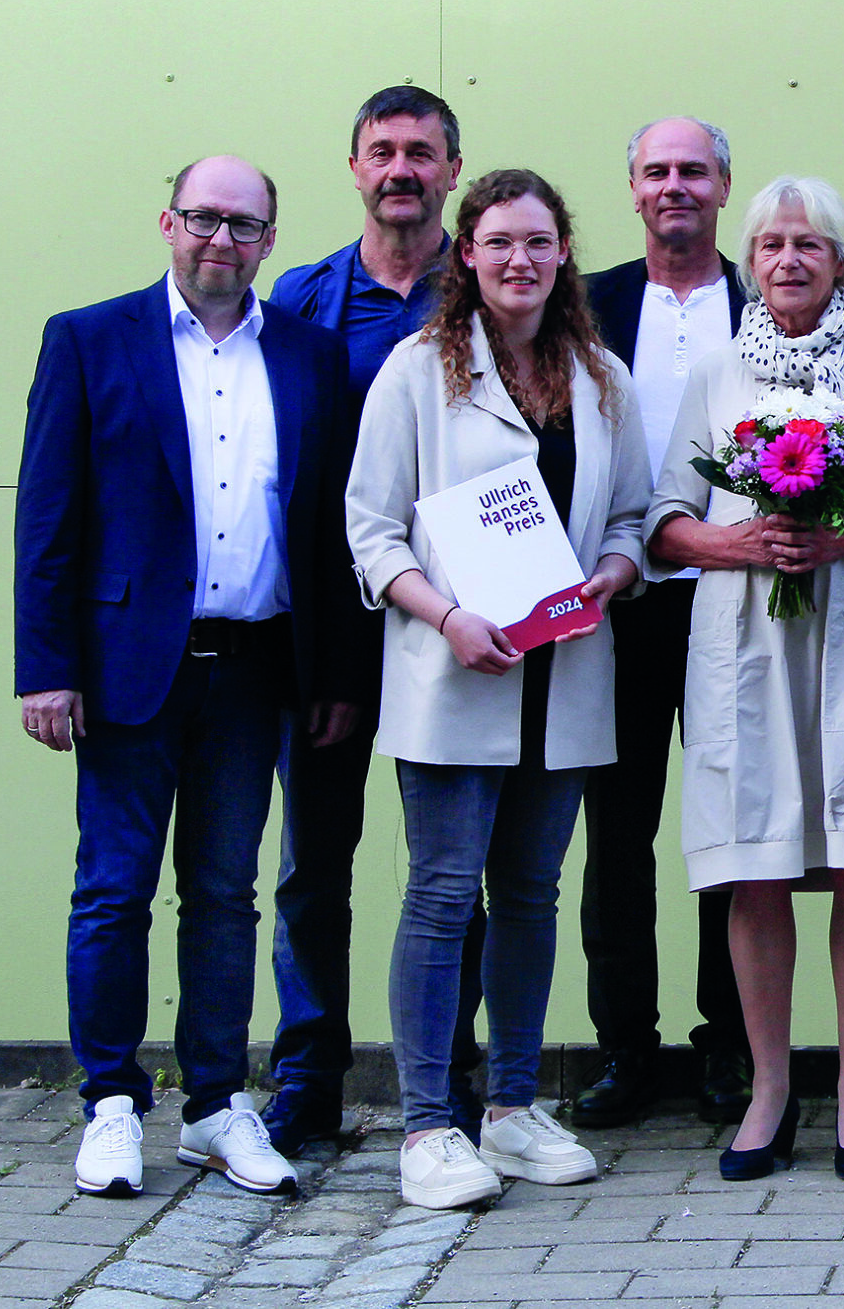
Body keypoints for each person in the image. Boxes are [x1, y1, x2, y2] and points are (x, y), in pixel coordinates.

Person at [15, 155, 359, 1199]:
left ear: (270, 241)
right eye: (204, 218)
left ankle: (215, 1105)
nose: (222, 240)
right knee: (113, 893)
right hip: (126, 670)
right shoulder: (88, 339)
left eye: (246, 225)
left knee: (225, 896)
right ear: (167, 221)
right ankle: (111, 1102)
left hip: (256, 670)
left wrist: (331, 671)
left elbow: (323, 529)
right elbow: (48, 515)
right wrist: (46, 667)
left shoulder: (308, 355)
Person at [346, 170, 650, 1209]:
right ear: (464, 255)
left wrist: (613, 576)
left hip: (563, 678)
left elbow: (632, 521)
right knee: (441, 897)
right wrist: (445, 616)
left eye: (538, 241)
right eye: (498, 241)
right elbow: (372, 531)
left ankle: (513, 1109)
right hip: (455, 675)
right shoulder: (414, 374)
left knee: (528, 898)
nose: (519, 259)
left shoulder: (604, 377)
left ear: (565, 253)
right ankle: (428, 1125)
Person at [652, 177, 844, 1185]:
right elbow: (664, 517)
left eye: (811, 245)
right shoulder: (714, 373)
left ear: (840, 262)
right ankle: (771, 1088)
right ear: (750, 260)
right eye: (773, 244)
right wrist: (737, 541)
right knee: (755, 860)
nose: (789, 260)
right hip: (747, 636)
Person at [264, 85, 484, 1155]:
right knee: (315, 863)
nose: (401, 168)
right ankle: (307, 1074)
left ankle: (459, 1072)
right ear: (354, 168)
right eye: (382, 151)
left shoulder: (492, 293)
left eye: (422, 153)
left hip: (460, 633)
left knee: (456, 866)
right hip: (332, 640)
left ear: (452, 170)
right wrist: (319, 660)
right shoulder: (302, 305)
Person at [572, 116, 753, 1130]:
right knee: (618, 834)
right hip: (619, 603)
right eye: (656, 172)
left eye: (693, 170)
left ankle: (726, 1045)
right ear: (632, 190)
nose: (674, 186)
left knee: (729, 829)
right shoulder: (586, 304)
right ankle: (623, 1051)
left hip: (737, 603)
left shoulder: (762, 297)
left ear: (725, 187)